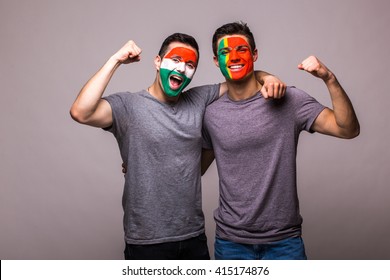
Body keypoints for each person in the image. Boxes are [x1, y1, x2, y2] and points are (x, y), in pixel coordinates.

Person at [70, 32, 286, 260]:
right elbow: (80, 112)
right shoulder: (129, 106)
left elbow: (239, 80)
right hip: (146, 240)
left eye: (190, 65)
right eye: (175, 60)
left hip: (193, 237)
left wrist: (266, 76)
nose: (182, 69)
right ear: (157, 62)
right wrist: (116, 60)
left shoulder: (197, 100)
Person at [201, 21, 360, 260]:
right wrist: (142, 162)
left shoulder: (289, 100)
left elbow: (347, 129)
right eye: (225, 52)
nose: (233, 56)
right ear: (216, 61)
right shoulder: (211, 113)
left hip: (284, 243)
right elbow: (196, 168)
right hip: (231, 242)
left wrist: (329, 78)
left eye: (241, 50)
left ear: (254, 54)